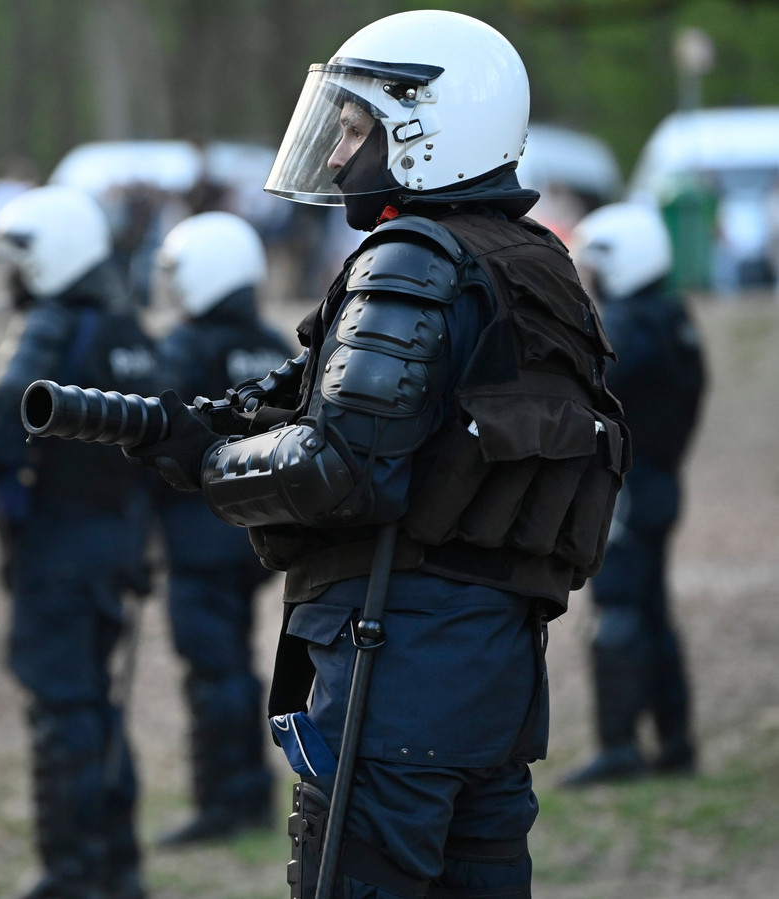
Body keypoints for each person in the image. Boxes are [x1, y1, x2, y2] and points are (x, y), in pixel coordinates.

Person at [123, 11, 626, 897]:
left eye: (354, 130)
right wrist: (206, 424)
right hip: (495, 672)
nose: (333, 155)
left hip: (393, 671)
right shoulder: (536, 263)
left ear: (424, 128)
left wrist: (207, 467)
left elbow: (338, 466)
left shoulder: (415, 257)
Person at [0, 186, 161, 898]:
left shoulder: (51, 326)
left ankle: (71, 870)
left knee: (63, 710)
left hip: (58, 547)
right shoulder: (129, 330)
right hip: (115, 542)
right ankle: (119, 865)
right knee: (97, 705)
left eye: (20, 258)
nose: (10, 273)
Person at [147, 212, 292, 845]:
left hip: (198, 535)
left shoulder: (186, 346)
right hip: (258, 534)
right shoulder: (272, 342)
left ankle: (227, 803)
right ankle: (250, 793)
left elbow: (149, 435)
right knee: (235, 664)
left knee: (213, 669)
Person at [562, 202, 706, 786]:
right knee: (651, 611)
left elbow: (584, 392)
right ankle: (675, 742)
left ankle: (619, 747)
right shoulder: (674, 316)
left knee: (620, 611)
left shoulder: (627, 326)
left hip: (626, 488)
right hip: (662, 481)